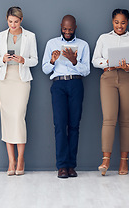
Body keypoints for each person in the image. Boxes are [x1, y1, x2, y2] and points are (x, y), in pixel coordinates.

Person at [92, 9, 129, 176]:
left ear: (127, 22)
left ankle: (124, 162)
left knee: (126, 120)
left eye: (122, 22)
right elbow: (95, 60)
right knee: (108, 119)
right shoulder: (104, 38)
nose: (119, 25)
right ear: (112, 22)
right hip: (108, 78)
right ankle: (105, 160)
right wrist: (109, 62)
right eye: (116, 22)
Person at [42, 15, 90, 178]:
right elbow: (45, 69)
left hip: (76, 84)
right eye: (64, 29)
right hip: (58, 85)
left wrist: (74, 61)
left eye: (70, 29)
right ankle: (62, 166)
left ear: (75, 27)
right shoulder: (51, 43)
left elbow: (87, 71)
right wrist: (53, 60)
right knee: (60, 125)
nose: (67, 32)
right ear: (61, 26)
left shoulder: (83, 45)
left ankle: (71, 166)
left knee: (74, 125)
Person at [0, 6, 38, 176]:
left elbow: (35, 60)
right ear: (7, 20)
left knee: (19, 117)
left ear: (21, 20)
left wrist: (23, 59)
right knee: (7, 119)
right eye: (10, 21)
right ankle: (11, 160)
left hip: (21, 79)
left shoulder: (30, 36)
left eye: (16, 22)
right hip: (5, 80)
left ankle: (21, 159)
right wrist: (3, 59)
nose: (13, 24)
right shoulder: (0, 36)